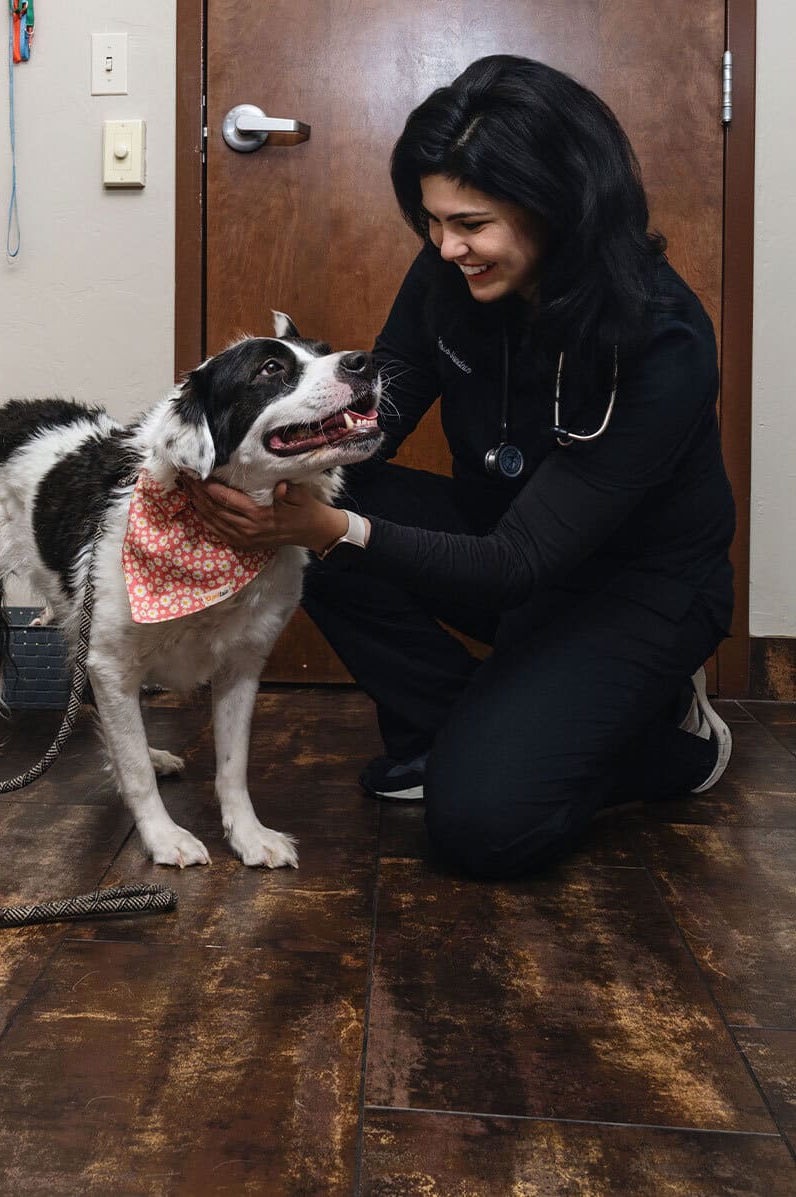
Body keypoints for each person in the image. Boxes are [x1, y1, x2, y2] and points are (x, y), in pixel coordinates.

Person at [182, 54, 736, 880]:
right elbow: (382, 417)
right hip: (502, 538)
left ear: (556, 207)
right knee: (303, 495)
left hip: (633, 587)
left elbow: (521, 564)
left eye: (470, 224)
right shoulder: (448, 269)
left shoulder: (662, 339)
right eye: (433, 223)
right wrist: (253, 463)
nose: (446, 247)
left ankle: (674, 740)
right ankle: (447, 731)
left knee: (483, 826)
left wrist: (333, 527)